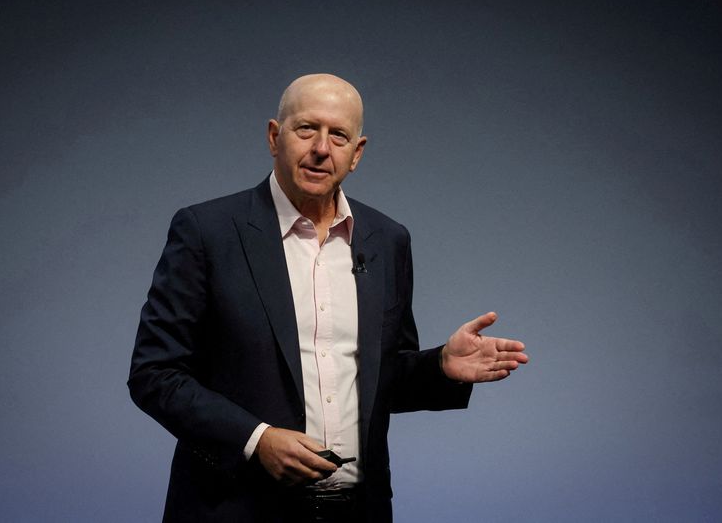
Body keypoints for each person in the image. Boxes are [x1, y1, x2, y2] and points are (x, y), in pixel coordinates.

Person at [128, 73, 529, 522]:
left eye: (338, 135)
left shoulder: (387, 240)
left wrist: (440, 366)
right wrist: (256, 438)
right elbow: (154, 373)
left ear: (356, 153)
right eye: (306, 129)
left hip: (358, 511)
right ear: (274, 137)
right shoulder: (207, 231)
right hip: (235, 508)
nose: (322, 148)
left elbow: (378, 377)